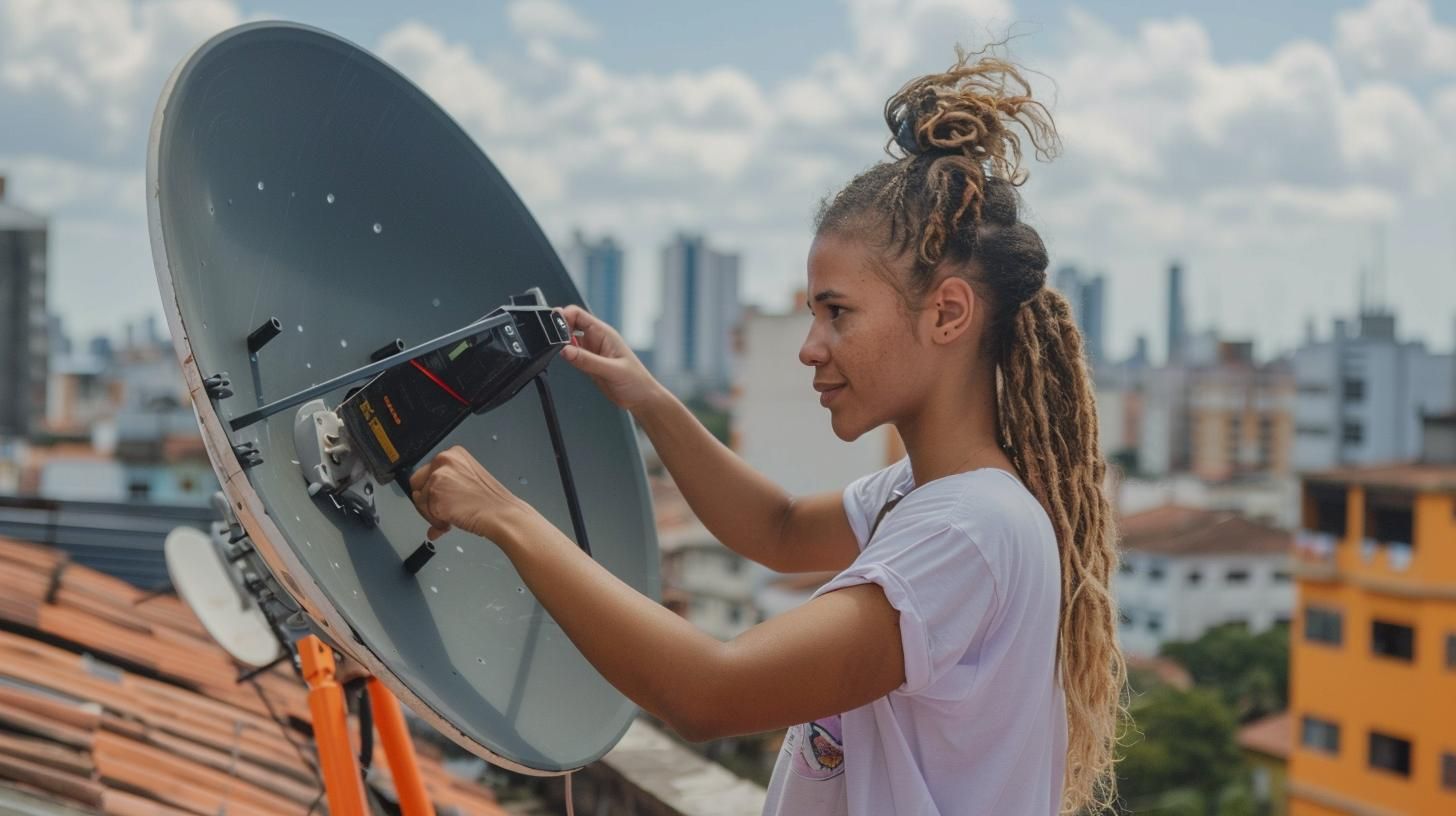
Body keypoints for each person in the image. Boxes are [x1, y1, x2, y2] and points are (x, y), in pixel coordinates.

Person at [409, 48, 1125, 816]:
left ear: (947, 313)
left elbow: (710, 692)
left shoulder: (969, 529)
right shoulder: (925, 494)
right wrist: (649, 397)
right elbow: (777, 529)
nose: (810, 346)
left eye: (837, 312)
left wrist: (503, 514)